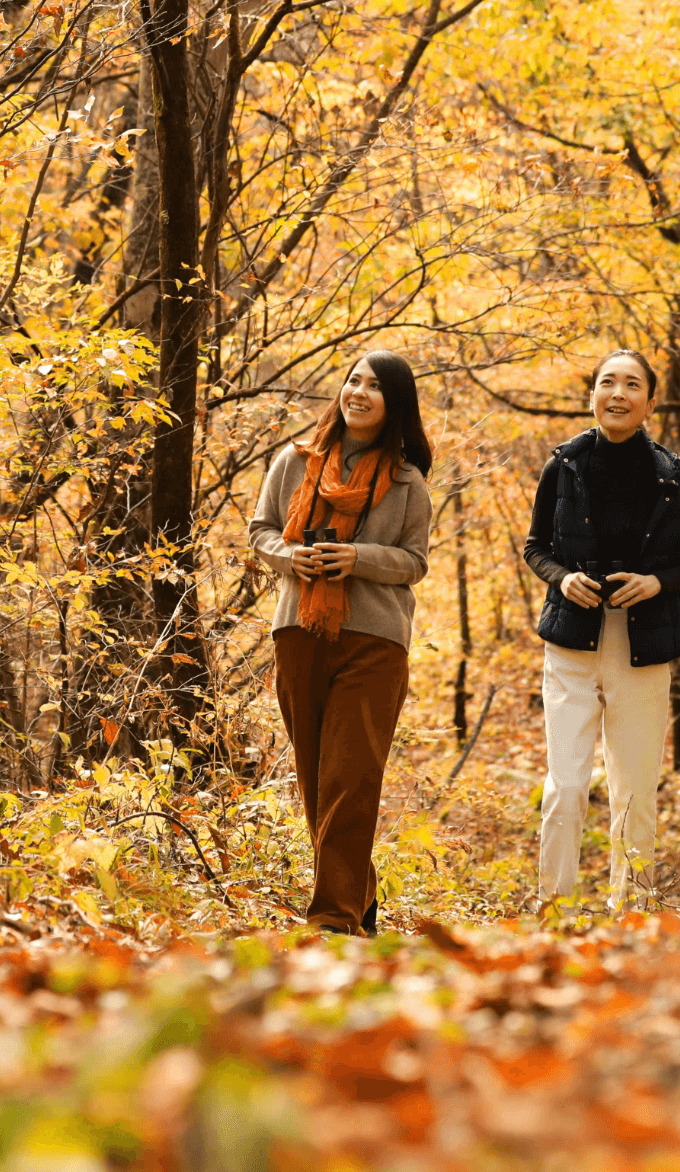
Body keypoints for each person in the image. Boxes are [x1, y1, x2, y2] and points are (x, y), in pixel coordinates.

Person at [249, 350, 434, 935]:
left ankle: (332, 920)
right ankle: (358, 891)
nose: (359, 392)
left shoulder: (407, 482)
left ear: (393, 404)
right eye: (354, 381)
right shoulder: (293, 462)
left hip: (375, 642)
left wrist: (357, 558)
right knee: (315, 778)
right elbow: (261, 532)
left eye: (374, 387)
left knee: (350, 778)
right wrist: (291, 555)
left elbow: (414, 563)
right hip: (298, 632)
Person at [522, 350, 680, 911]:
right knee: (566, 785)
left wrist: (656, 582)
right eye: (608, 383)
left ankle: (631, 913)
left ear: (650, 403)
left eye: (633, 385)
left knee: (634, 791)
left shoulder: (670, 475)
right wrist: (562, 580)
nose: (619, 393)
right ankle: (553, 906)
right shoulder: (563, 466)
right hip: (572, 645)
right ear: (592, 396)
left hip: (644, 647)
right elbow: (536, 547)